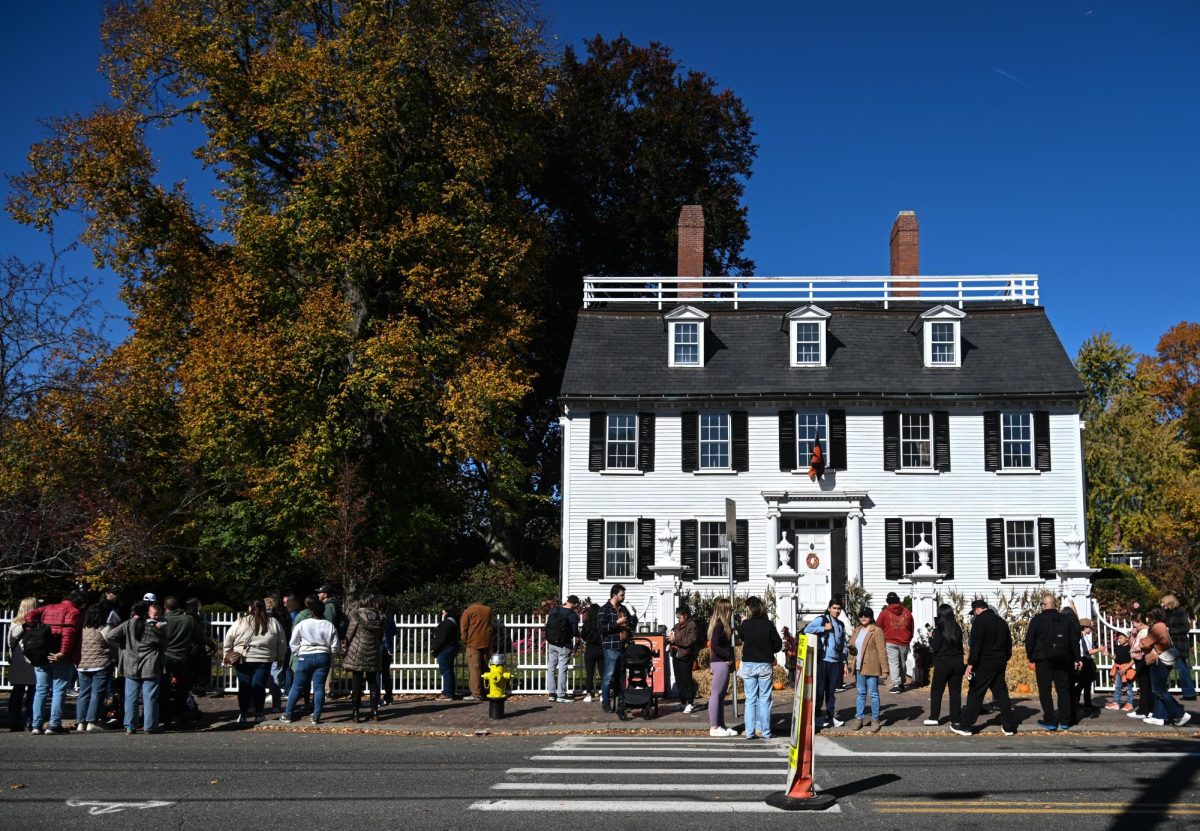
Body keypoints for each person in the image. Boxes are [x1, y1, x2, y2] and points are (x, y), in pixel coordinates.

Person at [952, 600, 1017, 736]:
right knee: (1001, 694)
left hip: (984, 663)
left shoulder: (979, 622)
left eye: (974, 613)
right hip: (999, 662)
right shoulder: (1002, 622)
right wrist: (1004, 658)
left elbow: (976, 646)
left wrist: (970, 664)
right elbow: (1008, 645)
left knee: (975, 693)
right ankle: (1009, 726)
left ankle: (966, 725)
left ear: (977, 610)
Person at [25, 590, 84, 734]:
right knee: (59, 690)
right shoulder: (73, 611)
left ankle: (36, 725)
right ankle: (54, 724)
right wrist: (63, 653)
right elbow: (68, 634)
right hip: (58, 654)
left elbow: (29, 615)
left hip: (42, 652)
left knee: (41, 690)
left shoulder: (48, 608)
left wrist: (32, 626)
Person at [105, 600, 166, 734]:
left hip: (130, 663)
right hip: (150, 664)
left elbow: (109, 636)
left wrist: (122, 648)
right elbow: (163, 642)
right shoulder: (151, 627)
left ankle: (130, 726)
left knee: (131, 697)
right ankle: (150, 726)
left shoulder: (127, 624)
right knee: (149, 697)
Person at [223, 599, 287, 725]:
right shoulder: (273, 622)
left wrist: (226, 654)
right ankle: (259, 713)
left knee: (244, 686)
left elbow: (229, 638)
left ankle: (243, 714)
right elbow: (282, 642)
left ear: (250, 608)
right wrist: (280, 657)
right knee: (259, 686)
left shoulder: (241, 621)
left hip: (243, 658)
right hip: (264, 659)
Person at [1024, 593, 1080, 731]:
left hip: (1043, 660)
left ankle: (1050, 720)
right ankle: (1065, 721)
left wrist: (1031, 658)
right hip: (1063, 659)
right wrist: (1077, 658)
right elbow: (1074, 640)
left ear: (1044, 605)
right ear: (1055, 605)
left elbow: (1029, 640)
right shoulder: (1065, 619)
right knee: (1063, 689)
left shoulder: (1037, 620)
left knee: (1045, 690)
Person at [281, 597, 339, 724]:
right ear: (323, 611)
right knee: (319, 688)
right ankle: (316, 715)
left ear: (311, 611)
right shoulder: (329, 625)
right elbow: (335, 645)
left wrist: (297, 652)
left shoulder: (303, 624)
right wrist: (330, 653)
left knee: (297, 687)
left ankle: (288, 714)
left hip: (305, 655)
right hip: (323, 655)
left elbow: (293, 642)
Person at [738, 596, 783, 739]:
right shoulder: (768, 624)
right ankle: (765, 731)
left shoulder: (746, 625)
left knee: (750, 699)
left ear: (750, 609)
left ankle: (750, 731)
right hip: (764, 664)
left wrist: (743, 623)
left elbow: (742, 637)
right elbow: (778, 644)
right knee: (765, 699)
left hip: (749, 664)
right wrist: (770, 650)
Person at [1141, 606, 1191, 727]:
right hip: (1163, 660)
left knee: (1159, 690)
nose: (1148, 617)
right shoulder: (1162, 625)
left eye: (1150, 614)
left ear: (1155, 615)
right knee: (1159, 690)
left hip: (1160, 661)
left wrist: (1142, 639)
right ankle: (1158, 717)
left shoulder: (1158, 626)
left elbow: (1145, 643)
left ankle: (1180, 713)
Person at [162, 596, 205, 727]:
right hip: (181, 658)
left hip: (165, 657)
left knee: (163, 687)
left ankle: (164, 716)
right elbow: (200, 636)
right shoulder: (188, 619)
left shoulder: (163, 621)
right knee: (182, 688)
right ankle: (179, 714)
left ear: (166, 608)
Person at [805, 598, 848, 728]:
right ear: (829, 608)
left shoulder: (841, 624)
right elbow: (807, 629)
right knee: (819, 690)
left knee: (831, 691)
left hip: (835, 662)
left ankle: (831, 716)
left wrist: (845, 662)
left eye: (839, 608)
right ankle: (817, 716)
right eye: (834, 608)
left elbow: (843, 643)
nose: (836, 610)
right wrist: (823, 628)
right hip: (822, 660)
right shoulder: (822, 619)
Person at [342, 594, 385, 722]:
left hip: (358, 651)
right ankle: (375, 711)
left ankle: (355, 713)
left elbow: (350, 634)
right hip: (373, 652)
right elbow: (381, 637)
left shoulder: (356, 615)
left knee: (357, 680)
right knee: (372, 681)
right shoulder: (380, 617)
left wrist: (345, 648)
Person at [597, 584, 637, 715]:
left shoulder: (623, 608)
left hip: (624, 645)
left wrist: (634, 615)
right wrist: (616, 623)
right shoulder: (604, 610)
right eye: (622, 595)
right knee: (608, 676)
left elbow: (631, 624)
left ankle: (621, 701)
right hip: (611, 646)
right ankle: (606, 703)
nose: (623, 597)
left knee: (621, 675)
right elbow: (601, 629)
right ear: (615, 595)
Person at [848, 606, 888, 732]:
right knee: (860, 693)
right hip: (859, 667)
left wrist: (885, 669)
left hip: (872, 666)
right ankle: (859, 718)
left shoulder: (876, 631)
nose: (863, 618)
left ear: (871, 617)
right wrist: (849, 657)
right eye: (861, 616)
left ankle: (875, 719)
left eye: (866, 615)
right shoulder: (857, 630)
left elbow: (882, 651)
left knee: (873, 694)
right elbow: (851, 646)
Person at [76, 604, 114, 732]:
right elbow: (112, 643)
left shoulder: (81, 629)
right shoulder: (104, 629)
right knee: (96, 693)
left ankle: (80, 722)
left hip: (82, 665)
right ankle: (92, 721)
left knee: (83, 693)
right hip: (100, 663)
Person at [925, 603, 965, 726]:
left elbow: (935, 647)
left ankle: (934, 717)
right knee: (955, 692)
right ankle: (955, 718)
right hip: (958, 662)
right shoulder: (957, 628)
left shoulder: (939, 630)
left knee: (937, 690)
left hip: (943, 663)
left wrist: (930, 637)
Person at [705, 598, 737, 737]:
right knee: (716, 694)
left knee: (721, 696)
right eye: (730, 609)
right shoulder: (719, 625)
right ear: (725, 610)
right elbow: (714, 645)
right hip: (720, 662)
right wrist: (728, 656)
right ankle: (714, 726)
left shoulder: (722, 625)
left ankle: (721, 724)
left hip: (721, 662)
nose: (732, 612)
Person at [7, 597, 39, 731]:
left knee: (17, 692)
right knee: (34, 692)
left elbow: (10, 643)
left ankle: (14, 721)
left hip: (19, 659)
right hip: (33, 659)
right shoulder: (38, 623)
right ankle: (31, 721)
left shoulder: (15, 623)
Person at [876, 592, 914, 693]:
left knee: (894, 663)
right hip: (904, 642)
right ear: (898, 600)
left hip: (890, 641)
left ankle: (896, 684)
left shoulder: (884, 613)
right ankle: (901, 682)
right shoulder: (907, 612)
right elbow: (911, 628)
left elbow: (878, 626)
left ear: (888, 601)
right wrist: (908, 639)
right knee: (902, 663)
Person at [544, 596, 580, 703]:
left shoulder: (555, 610)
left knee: (551, 668)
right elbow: (574, 632)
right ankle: (561, 694)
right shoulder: (572, 615)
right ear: (575, 604)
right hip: (564, 645)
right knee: (562, 669)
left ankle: (551, 693)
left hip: (552, 643)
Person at [1161, 594, 1197, 701]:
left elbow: (1185, 628)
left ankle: (1189, 693)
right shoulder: (1166, 613)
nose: (1162, 604)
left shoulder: (1180, 611)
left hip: (1179, 644)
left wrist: (1170, 631)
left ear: (1169, 601)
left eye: (1163, 602)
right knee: (1168, 668)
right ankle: (1188, 693)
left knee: (1182, 669)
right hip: (1169, 645)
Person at [667, 605, 700, 713]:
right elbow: (672, 636)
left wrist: (675, 639)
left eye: (680, 617)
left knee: (686, 680)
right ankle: (682, 702)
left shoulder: (692, 625)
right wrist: (669, 637)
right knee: (679, 680)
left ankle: (690, 703)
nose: (678, 620)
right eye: (677, 618)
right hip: (676, 654)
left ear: (685, 616)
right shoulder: (677, 626)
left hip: (686, 655)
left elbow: (689, 640)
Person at [459, 600, 494, 701]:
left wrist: (466, 641)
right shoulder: (488, 610)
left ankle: (476, 694)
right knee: (486, 668)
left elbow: (464, 629)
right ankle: (488, 690)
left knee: (475, 669)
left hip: (473, 643)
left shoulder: (468, 611)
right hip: (487, 642)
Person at [264, 595, 291, 712]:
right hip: (275, 651)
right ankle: (276, 704)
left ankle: (269, 703)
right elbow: (282, 638)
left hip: (267, 652)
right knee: (274, 676)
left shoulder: (272, 619)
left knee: (269, 677)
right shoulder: (280, 617)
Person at [429, 604, 460, 700]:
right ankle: (450, 691)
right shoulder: (454, 622)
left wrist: (434, 649)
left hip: (445, 649)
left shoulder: (446, 623)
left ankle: (447, 693)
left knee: (445, 671)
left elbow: (440, 639)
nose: (442, 612)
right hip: (452, 648)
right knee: (449, 670)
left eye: (444, 610)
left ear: (447, 612)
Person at [1074, 618, 1105, 714]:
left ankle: (1086, 702)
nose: (1091, 630)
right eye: (1090, 628)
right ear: (1086, 627)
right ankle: (1078, 701)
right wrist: (1099, 649)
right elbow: (1086, 651)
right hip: (1085, 661)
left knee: (1086, 684)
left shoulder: (1083, 637)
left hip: (1086, 660)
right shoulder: (1081, 637)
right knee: (1084, 683)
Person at [579, 602, 604, 702]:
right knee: (603, 672)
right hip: (601, 648)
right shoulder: (602, 623)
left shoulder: (587, 622)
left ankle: (589, 694)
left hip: (590, 648)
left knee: (590, 673)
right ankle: (602, 693)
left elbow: (582, 635)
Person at [1107, 631, 1134, 711]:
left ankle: (1130, 703)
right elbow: (1116, 658)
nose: (1119, 639)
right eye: (1118, 638)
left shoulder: (1130, 648)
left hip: (1126, 670)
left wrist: (1126, 668)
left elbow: (1134, 659)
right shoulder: (1118, 647)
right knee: (1117, 687)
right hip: (1118, 670)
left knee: (1128, 687)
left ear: (1127, 638)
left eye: (1121, 638)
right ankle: (1116, 703)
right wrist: (1108, 655)